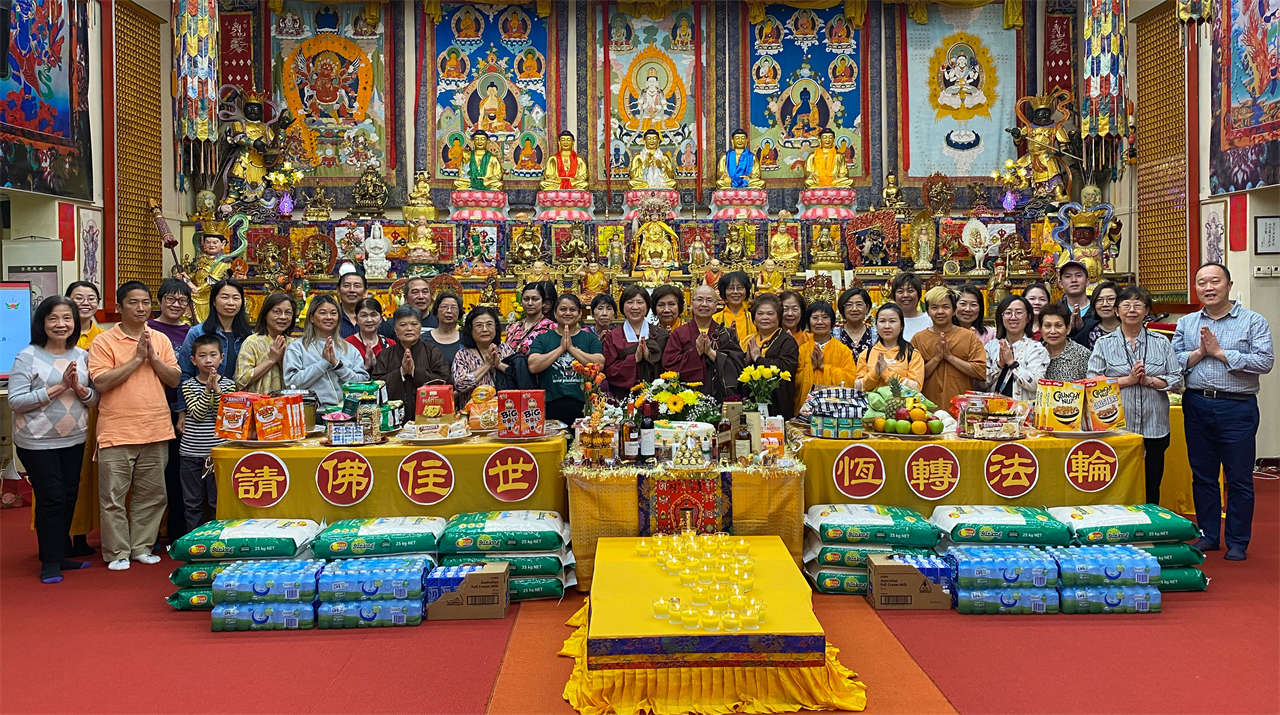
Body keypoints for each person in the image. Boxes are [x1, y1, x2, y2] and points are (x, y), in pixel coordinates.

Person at [1173, 262, 1274, 560]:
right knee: (1203, 475)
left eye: (1215, 281)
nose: (1208, 287)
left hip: (1237, 406)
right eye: (1202, 282)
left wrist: (1221, 353)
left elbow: (1264, 361)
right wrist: (1199, 353)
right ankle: (1208, 535)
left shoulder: (1253, 321)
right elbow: (1173, 361)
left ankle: (1238, 541)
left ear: (1229, 285)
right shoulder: (1187, 323)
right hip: (1197, 404)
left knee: (1239, 477)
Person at [87, 281, 181, 570]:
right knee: (113, 497)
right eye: (133, 302)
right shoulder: (104, 341)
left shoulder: (159, 339)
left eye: (145, 302)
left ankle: (141, 547)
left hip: (156, 427)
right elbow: (101, 382)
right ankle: (117, 552)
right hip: (117, 430)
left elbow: (174, 379)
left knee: (152, 495)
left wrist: (152, 358)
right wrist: (137, 359)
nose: (141, 308)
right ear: (119, 307)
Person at [10, 297, 97, 582]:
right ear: (42, 323)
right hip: (36, 441)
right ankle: (49, 561)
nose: (61, 324)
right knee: (52, 498)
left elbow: (94, 398)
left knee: (69, 496)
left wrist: (80, 390)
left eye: (67, 318)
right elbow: (16, 401)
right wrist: (58, 388)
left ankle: (60, 554)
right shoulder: (27, 356)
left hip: (74, 438)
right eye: (53, 318)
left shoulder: (82, 355)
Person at [1088, 286, 1182, 505]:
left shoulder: (1161, 342)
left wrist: (1149, 381)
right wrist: (1128, 380)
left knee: (1152, 483)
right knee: (1118, 484)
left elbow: (1177, 379)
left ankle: (1151, 521)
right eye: (1126, 305)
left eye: (1138, 305)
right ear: (1117, 311)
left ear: (1146, 310)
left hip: (1155, 426)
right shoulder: (1104, 344)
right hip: (1118, 427)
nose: (1132, 310)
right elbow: (1093, 382)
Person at [148, 278, 192, 546]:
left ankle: (176, 530)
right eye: (171, 299)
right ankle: (150, 533)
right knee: (153, 474)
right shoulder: (148, 329)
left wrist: (183, 411)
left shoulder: (191, 332)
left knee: (177, 472)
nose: (176, 304)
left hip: (183, 409)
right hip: (153, 407)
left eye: (182, 300)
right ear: (160, 300)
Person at [177, 334, 235, 532]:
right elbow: (197, 414)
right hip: (191, 453)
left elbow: (223, 415)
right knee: (192, 503)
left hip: (217, 453)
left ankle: (217, 539)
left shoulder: (229, 385)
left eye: (213, 355)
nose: (208, 360)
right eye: (202, 356)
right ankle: (193, 540)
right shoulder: (188, 385)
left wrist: (217, 391)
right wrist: (207, 390)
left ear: (222, 358)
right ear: (193, 360)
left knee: (216, 501)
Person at [65, 281, 104, 556]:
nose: (85, 303)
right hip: (63, 414)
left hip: (93, 413)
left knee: (86, 477)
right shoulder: (57, 336)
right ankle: (55, 535)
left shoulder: (103, 338)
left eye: (91, 298)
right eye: (79, 297)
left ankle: (81, 534)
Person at [528, 294, 605, 424]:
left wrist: (571, 348)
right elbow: (533, 366)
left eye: (572, 309)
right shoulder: (543, 338)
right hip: (550, 405)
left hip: (583, 406)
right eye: (563, 309)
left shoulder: (590, 339)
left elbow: (600, 363)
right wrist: (561, 349)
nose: (568, 313)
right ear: (555, 313)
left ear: (579, 314)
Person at [663, 285, 747, 402]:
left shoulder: (727, 334)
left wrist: (711, 353)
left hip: (721, 398)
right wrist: (696, 352)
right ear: (692, 304)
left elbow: (738, 365)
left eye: (709, 300)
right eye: (699, 299)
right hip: (686, 399)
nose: (704, 304)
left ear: (716, 306)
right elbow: (669, 365)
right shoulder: (679, 333)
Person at [284, 295, 369, 408]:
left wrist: (338, 365)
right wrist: (323, 363)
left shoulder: (349, 348)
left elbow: (362, 383)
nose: (329, 317)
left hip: (346, 412)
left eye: (333, 313)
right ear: (311, 318)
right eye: (323, 313)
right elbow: (292, 383)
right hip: (313, 412)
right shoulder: (297, 347)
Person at [911, 286, 986, 408]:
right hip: (926, 410)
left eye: (945, 307)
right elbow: (914, 378)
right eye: (934, 307)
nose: (940, 312)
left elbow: (980, 371)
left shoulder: (969, 337)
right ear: (928, 311)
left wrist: (950, 357)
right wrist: (937, 358)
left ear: (954, 310)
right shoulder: (918, 339)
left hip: (961, 408)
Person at [372, 306, 451, 421]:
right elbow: (376, 387)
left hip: (429, 419)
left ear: (420, 327)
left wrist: (415, 372)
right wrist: (401, 372)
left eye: (414, 324)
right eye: (403, 325)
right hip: (392, 420)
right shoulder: (385, 355)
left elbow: (444, 381)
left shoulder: (432, 351)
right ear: (395, 329)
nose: (409, 328)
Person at [602, 286, 669, 399]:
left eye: (640, 302)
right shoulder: (613, 336)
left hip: (656, 398)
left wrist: (649, 357)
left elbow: (668, 369)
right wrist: (634, 359)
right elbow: (609, 371)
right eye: (630, 302)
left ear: (647, 306)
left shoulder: (660, 334)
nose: (635, 307)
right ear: (622, 306)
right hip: (621, 398)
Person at [178, 279, 251, 383]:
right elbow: (185, 372)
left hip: (240, 393)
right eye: (225, 297)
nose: (231, 303)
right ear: (214, 301)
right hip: (204, 392)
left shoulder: (247, 336)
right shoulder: (197, 333)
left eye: (236, 298)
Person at [742, 293, 800, 419]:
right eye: (760, 313)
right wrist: (746, 361)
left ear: (778, 317)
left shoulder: (786, 341)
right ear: (754, 317)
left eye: (770, 314)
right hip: (751, 403)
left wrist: (758, 359)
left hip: (778, 404)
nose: (765, 317)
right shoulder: (749, 340)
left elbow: (786, 367)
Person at [795, 301, 857, 412]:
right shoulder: (801, 350)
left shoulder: (843, 351)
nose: (820, 322)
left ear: (832, 322)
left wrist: (824, 367)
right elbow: (794, 382)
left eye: (825, 317)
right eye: (815, 318)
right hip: (805, 410)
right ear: (808, 321)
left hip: (835, 410)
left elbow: (850, 380)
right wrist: (811, 367)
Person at [984, 295, 1048, 402]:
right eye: (1008, 313)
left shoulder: (1036, 349)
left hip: (1023, 410)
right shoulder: (991, 347)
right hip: (992, 409)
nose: (1013, 317)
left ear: (1028, 317)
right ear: (1001, 317)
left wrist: (1012, 363)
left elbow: (1036, 385)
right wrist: (999, 365)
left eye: (1019, 312)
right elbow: (981, 384)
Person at [452, 306, 514, 407]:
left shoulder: (505, 349)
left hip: (505, 409)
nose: (485, 329)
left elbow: (518, 376)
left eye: (489, 324)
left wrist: (499, 365)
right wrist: (486, 365)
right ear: (470, 329)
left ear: (496, 327)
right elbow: (460, 385)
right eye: (479, 325)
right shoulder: (462, 355)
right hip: (473, 412)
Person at [235, 294, 296, 394]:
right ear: (265, 314)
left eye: (288, 312)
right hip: (258, 402)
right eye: (277, 312)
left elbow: (298, 382)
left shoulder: (293, 344)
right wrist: (271, 360)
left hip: (286, 401)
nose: (283, 317)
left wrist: (281, 361)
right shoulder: (252, 342)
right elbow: (240, 381)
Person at [856, 304, 924, 392]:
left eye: (892, 321)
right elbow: (858, 387)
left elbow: (915, 389)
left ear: (901, 326)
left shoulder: (912, 354)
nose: (887, 326)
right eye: (882, 321)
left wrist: (886, 373)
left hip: (901, 401)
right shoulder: (866, 354)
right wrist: (875, 373)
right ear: (876, 325)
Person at [503, 282, 557, 355]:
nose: (530, 303)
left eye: (535, 299)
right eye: (526, 299)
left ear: (543, 302)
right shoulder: (513, 327)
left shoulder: (552, 327)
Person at [1041, 302, 1090, 381]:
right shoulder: (1034, 353)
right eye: (1047, 326)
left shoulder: (1082, 355)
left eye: (1058, 326)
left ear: (1068, 329)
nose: (1053, 331)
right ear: (1040, 329)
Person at [345, 297, 394, 371]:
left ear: (381, 319)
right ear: (356, 319)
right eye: (364, 315)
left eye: (373, 315)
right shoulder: (347, 345)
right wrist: (366, 368)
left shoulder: (391, 344)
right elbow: (344, 373)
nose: (369, 320)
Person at [424, 292, 465, 368]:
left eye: (453, 307)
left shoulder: (466, 339)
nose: (449, 311)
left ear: (459, 312)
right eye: (444, 306)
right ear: (436, 311)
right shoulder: (424, 339)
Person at [713, 271, 756, 342]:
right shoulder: (715, 319)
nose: (735, 292)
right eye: (731, 288)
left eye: (739, 288)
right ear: (724, 292)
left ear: (746, 291)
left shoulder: (753, 318)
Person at [833, 287, 876, 356]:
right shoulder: (833, 334)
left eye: (859, 304)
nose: (854, 309)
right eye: (849, 305)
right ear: (843, 309)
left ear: (867, 308)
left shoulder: (876, 334)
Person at [1058, 260, 1092, 343]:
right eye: (1068, 276)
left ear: (1087, 281)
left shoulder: (1098, 308)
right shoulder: (1056, 311)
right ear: (1061, 283)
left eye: (1078, 275)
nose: (1073, 280)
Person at [890, 272, 931, 341]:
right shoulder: (887, 322)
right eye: (900, 291)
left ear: (919, 294)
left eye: (910, 291)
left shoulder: (930, 320)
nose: (905, 295)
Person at [1079, 281, 1120, 348]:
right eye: (1099, 300)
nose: (1105, 304)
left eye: (1110, 299)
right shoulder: (1087, 330)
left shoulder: (1130, 328)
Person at [336, 271, 367, 338]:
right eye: (346, 285)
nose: (352, 290)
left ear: (365, 292)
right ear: (338, 290)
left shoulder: (373, 317)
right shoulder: (331, 317)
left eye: (357, 286)